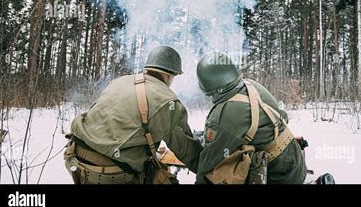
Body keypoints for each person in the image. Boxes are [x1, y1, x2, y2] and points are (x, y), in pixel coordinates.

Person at [64, 46, 203, 184]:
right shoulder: (168, 102)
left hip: (75, 157)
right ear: (169, 76)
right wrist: (209, 172)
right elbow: (188, 151)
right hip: (109, 172)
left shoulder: (119, 82)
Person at [195, 52, 307, 184]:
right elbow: (283, 117)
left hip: (278, 173)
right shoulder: (251, 85)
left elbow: (209, 162)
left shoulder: (224, 113)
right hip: (296, 159)